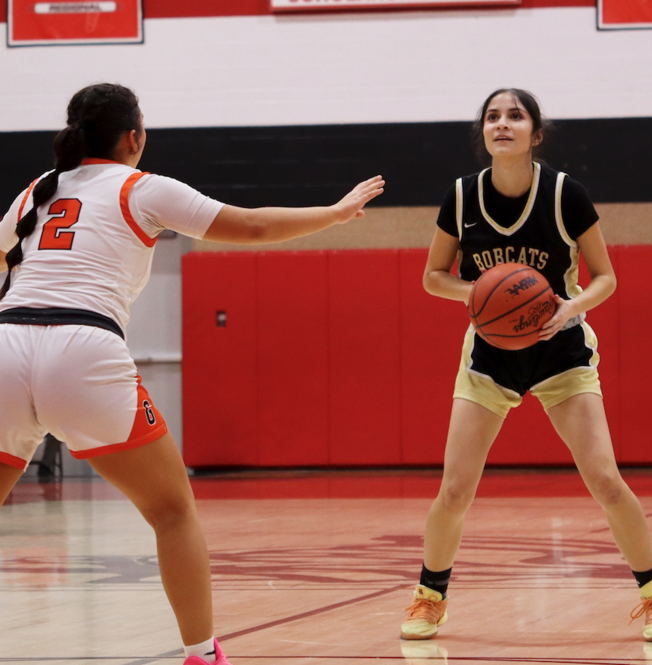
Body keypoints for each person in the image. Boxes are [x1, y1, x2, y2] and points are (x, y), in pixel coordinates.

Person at [0, 83, 384, 665]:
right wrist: (333, 214)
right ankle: (203, 657)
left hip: (6, 339)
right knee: (173, 512)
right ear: (134, 136)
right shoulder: (142, 187)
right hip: (83, 347)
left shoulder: (34, 193)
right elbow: (251, 226)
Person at [399, 88, 652, 643]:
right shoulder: (460, 197)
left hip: (561, 352)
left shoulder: (565, 195)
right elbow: (433, 276)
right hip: (489, 355)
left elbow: (605, 276)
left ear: (536, 133)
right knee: (455, 489)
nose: (502, 124)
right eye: (493, 117)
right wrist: (479, 294)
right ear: (484, 132)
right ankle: (430, 597)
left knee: (605, 479)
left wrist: (573, 305)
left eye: (515, 116)